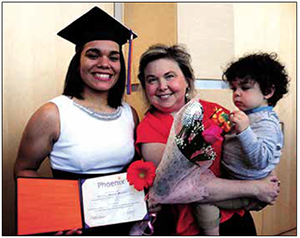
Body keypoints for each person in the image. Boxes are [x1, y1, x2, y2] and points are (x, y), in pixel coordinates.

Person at [14, 6, 139, 235]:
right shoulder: (53, 114)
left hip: (125, 224)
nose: (105, 63)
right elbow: (24, 169)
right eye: (93, 55)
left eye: (114, 57)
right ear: (77, 61)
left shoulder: (129, 114)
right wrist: (55, 216)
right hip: (75, 227)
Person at [135, 44, 280, 235]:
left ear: (187, 80)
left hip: (236, 218)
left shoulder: (214, 111)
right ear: (145, 87)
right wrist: (255, 188)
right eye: (152, 80)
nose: (162, 86)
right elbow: (185, 184)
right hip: (189, 227)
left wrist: (267, 178)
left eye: (169, 76)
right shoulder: (148, 128)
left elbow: (251, 146)